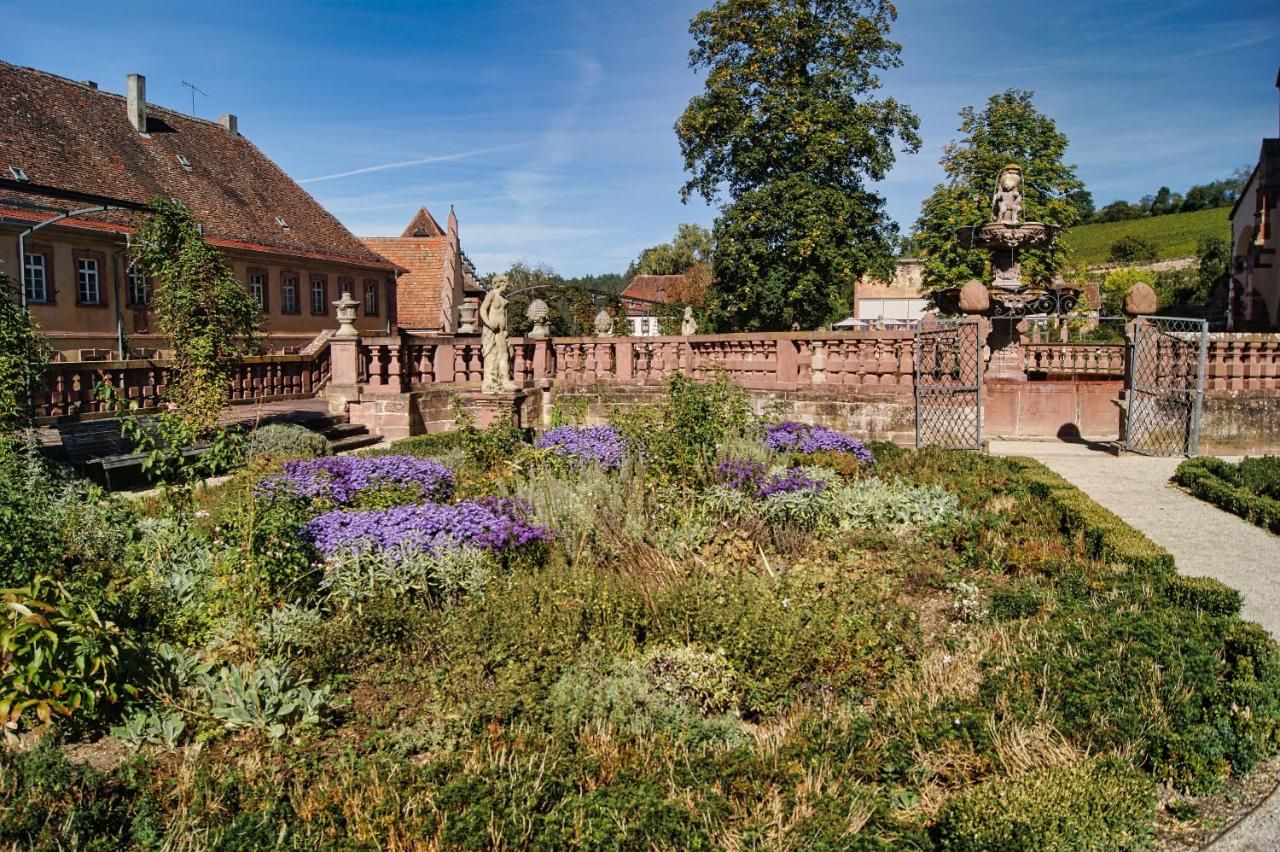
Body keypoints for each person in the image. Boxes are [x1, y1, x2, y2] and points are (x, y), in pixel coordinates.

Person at [480, 279, 515, 392]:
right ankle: (492, 382)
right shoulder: (492, 294)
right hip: (492, 330)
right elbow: (482, 309)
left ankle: (504, 381)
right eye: (506, 284)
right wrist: (489, 323)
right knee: (493, 355)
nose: (507, 287)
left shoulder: (501, 298)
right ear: (500, 284)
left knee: (504, 354)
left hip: (501, 331)